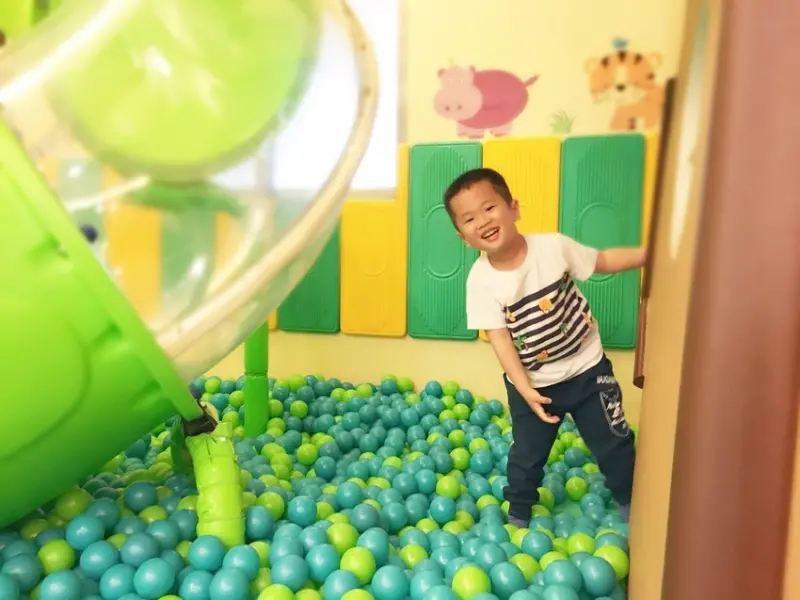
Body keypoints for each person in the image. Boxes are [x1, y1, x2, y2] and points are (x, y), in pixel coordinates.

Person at [443, 167, 646, 526]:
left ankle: (632, 504)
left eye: (490, 208)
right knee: (527, 455)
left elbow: (603, 261)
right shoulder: (480, 281)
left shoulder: (553, 248)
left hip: (588, 370)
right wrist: (525, 389)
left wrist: (650, 254)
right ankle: (518, 513)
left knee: (614, 442)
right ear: (464, 238)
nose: (483, 221)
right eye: (470, 219)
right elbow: (500, 338)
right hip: (534, 384)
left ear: (513, 208)